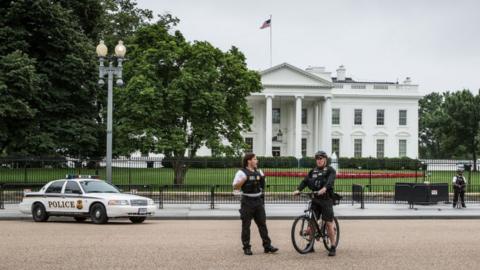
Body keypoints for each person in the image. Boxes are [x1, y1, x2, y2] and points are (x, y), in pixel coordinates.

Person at [232, 153, 278, 255]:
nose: (256, 161)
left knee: (262, 224)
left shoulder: (259, 172)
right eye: (255, 159)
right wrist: (243, 181)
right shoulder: (241, 173)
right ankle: (246, 247)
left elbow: (263, 186)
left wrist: (262, 179)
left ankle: (267, 246)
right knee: (246, 226)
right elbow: (235, 187)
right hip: (247, 201)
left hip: (258, 201)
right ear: (249, 161)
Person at [293, 150, 337, 256]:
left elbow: (330, 181)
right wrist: (298, 189)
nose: (319, 160)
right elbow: (305, 181)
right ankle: (311, 244)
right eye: (317, 159)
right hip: (315, 199)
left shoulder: (330, 170)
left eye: (321, 158)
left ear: (325, 159)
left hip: (326, 200)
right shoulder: (313, 171)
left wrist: (325, 188)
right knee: (312, 222)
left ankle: (332, 246)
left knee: (329, 223)